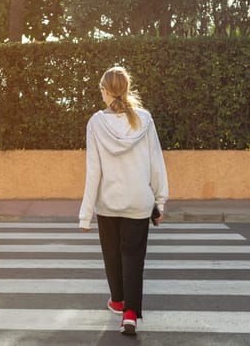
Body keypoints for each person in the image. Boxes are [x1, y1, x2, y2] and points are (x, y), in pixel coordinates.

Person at [79, 66, 168, 335]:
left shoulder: (96, 123)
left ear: (105, 91)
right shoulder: (145, 120)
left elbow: (93, 170)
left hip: (108, 203)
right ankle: (129, 313)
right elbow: (156, 163)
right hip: (139, 202)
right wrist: (160, 201)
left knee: (113, 254)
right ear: (127, 89)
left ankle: (117, 300)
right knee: (133, 257)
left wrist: (85, 215)